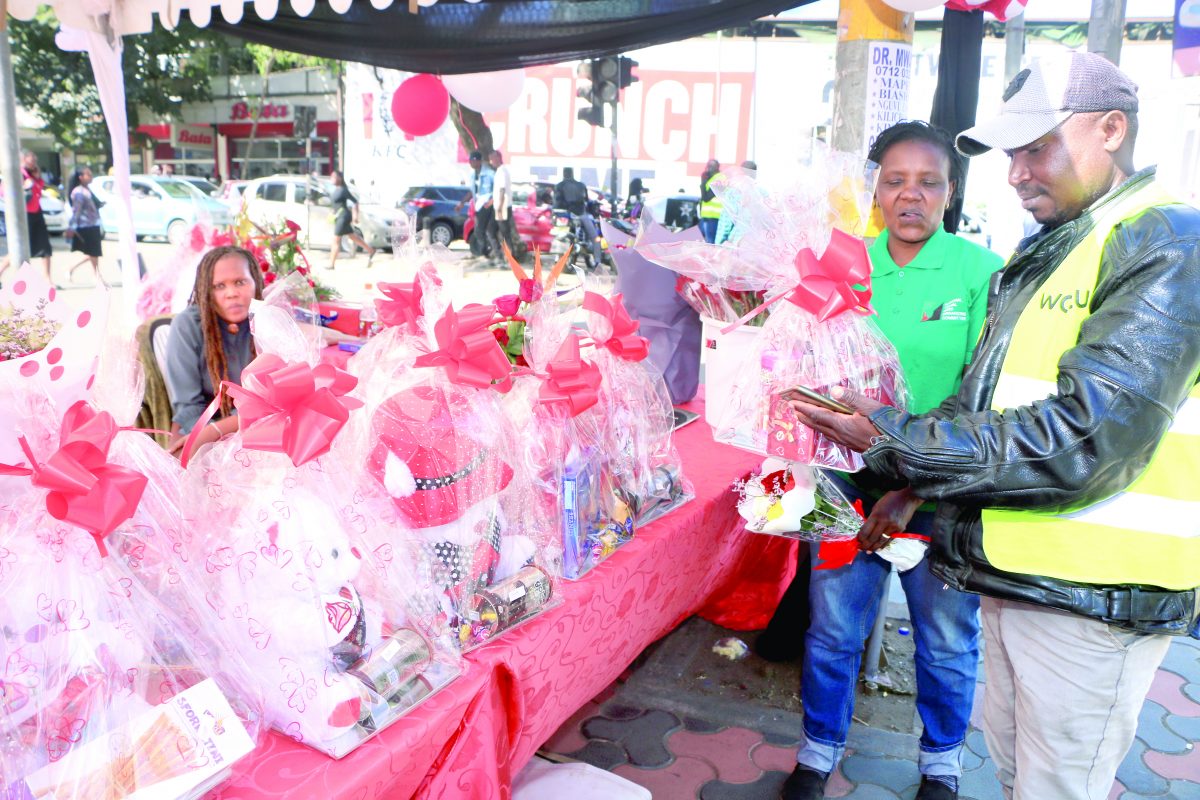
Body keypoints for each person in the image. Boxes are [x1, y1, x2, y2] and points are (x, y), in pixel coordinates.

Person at [786, 53, 1200, 800]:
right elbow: (982, 398)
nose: (1016, 173)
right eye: (1012, 154)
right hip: (1022, 569)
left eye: (1037, 147)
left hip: (1094, 596)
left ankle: (935, 763)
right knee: (1020, 778)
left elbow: (1086, 437)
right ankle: (823, 748)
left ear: (1111, 129)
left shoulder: (1165, 240)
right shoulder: (1058, 250)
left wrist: (891, 443)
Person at [780, 122, 1003, 800]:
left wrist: (910, 485)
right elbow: (806, 376)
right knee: (832, 630)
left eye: (927, 181)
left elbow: (980, 397)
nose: (911, 196)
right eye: (895, 180)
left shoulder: (981, 273)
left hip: (941, 493)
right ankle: (818, 753)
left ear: (950, 191)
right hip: (846, 488)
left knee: (944, 640)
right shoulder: (839, 267)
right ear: (874, 190)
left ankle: (941, 765)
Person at [166, 245, 265, 456]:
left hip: (258, 428)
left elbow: (272, 403)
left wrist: (225, 429)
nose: (232, 293)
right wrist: (213, 435)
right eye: (219, 286)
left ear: (255, 282)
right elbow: (188, 407)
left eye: (240, 282)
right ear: (206, 292)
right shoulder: (188, 326)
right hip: (199, 426)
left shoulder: (268, 322)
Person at [64, 167, 105, 287]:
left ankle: (93, 275)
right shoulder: (78, 192)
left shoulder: (86, 190)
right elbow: (76, 211)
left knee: (93, 252)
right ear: (80, 177)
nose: (91, 176)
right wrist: (72, 227)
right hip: (86, 226)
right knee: (93, 252)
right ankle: (94, 276)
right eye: (88, 174)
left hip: (93, 224)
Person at [328, 169, 376, 270]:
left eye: (333, 176)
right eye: (331, 176)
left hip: (343, 216)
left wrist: (355, 216)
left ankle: (331, 264)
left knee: (336, 240)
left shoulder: (343, 190)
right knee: (353, 237)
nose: (331, 178)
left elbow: (355, 202)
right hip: (339, 216)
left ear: (339, 178)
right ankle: (370, 250)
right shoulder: (336, 189)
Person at [553, 167, 600, 264]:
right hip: (580, 214)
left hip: (564, 215)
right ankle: (597, 261)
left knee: (556, 234)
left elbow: (556, 202)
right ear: (572, 174)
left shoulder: (559, 186)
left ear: (564, 174)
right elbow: (586, 200)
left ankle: (557, 257)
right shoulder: (581, 185)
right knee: (595, 238)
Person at [455, 150, 495, 259]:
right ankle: (485, 253)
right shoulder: (473, 175)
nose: (470, 163)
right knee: (480, 231)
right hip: (478, 207)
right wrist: (461, 204)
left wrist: (491, 202)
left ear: (479, 161)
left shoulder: (490, 174)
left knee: (480, 230)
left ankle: (485, 253)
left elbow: (498, 190)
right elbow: (471, 192)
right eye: (469, 161)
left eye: (472, 160)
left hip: (489, 207)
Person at [22, 151, 54, 284]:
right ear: (24, 160)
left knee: (45, 247)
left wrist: (37, 177)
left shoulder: (34, 175)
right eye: (31, 161)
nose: (33, 164)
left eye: (35, 162)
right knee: (20, 248)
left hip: (36, 212)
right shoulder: (20, 174)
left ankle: (47, 278)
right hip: (24, 215)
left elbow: (40, 188)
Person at [715, 159, 758, 245]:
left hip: (737, 242)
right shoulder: (762, 192)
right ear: (755, 173)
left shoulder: (734, 192)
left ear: (741, 172)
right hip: (757, 242)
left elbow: (726, 221)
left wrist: (719, 242)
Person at [488, 150, 516, 263]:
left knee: (505, 233)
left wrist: (499, 206)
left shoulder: (502, 171)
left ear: (498, 158)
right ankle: (499, 255)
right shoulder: (499, 171)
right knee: (491, 230)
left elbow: (502, 189)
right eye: (490, 159)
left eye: (492, 159)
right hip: (498, 206)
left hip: (503, 207)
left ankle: (509, 258)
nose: (491, 161)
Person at [698, 158, 724, 243]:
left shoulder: (720, 179)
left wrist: (703, 182)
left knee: (711, 243)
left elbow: (706, 198)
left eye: (712, 166)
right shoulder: (711, 179)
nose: (709, 168)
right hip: (706, 216)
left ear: (717, 167)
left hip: (715, 217)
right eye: (708, 166)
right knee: (706, 241)